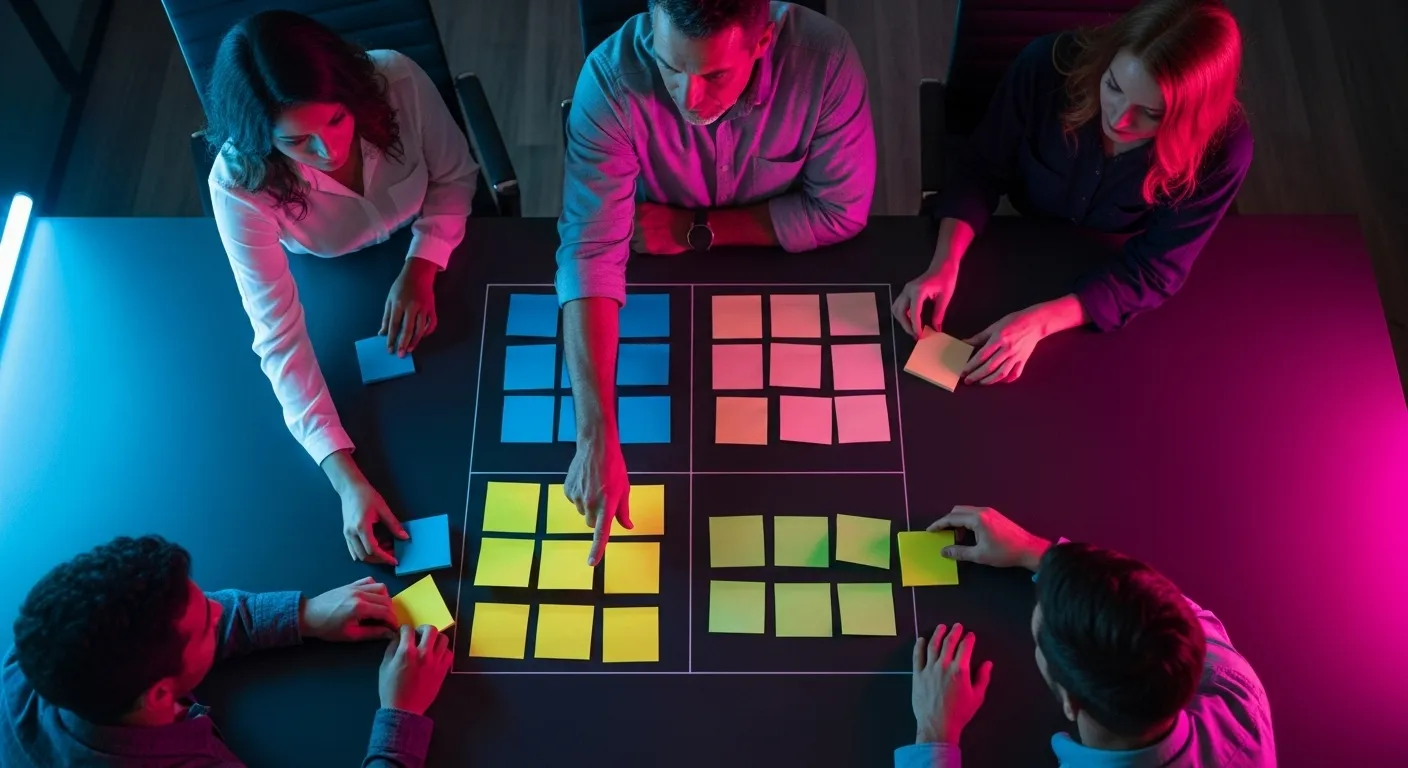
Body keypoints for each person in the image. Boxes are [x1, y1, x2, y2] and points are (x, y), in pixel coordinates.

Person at [557, 0, 877, 565]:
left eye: (713, 76)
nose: (688, 97)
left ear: (763, 41)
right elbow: (589, 255)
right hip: (654, 265)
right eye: (671, 68)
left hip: (779, 275)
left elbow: (842, 211)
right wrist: (595, 436)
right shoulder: (609, 80)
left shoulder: (825, 61)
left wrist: (695, 230)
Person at [205, 11, 480, 565]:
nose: (329, 151)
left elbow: (455, 177)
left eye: (335, 120)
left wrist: (423, 264)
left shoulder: (396, 81)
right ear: (263, 142)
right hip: (332, 283)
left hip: (441, 249)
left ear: (349, 92)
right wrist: (345, 476)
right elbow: (279, 338)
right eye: (298, 142)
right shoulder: (238, 184)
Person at [892, 0, 1252, 386]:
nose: (1118, 118)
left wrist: (1041, 322)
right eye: (1113, 86)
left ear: (1189, 118)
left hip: (1102, 258)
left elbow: (1154, 270)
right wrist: (944, 262)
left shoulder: (1223, 149)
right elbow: (981, 168)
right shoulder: (1046, 67)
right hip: (1012, 238)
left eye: (1151, 113)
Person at [1, 535, 453, 767]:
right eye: (205, 627)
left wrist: (304, 614)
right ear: (158, 696)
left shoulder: (37, 650)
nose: (221, 613)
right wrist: (401, 713)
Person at [901, 506, 1274, 767]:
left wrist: (935, 733)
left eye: (1040, 634)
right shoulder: (1238, 692)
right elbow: (1163, 606)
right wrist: (1037, 551)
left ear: (1070, 702)